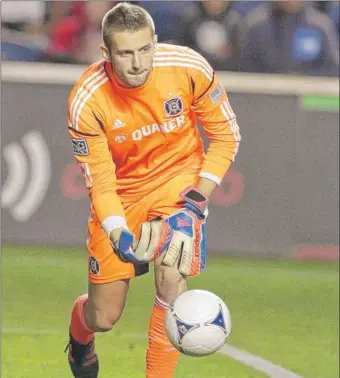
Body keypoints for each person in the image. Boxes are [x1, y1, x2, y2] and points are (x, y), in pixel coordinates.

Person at [65, 3, 240, 378]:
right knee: (104, 316)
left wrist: (193, 205)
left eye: (145, 49)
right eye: (125, 53)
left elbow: (226, 137)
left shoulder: (189, 68)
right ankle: (80, 339)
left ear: (155, 43)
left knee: (170, 278)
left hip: (178, 181)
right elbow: (101, 181)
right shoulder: (87, 100)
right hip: (122, 194)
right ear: (106, 54)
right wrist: (116, 232)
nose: (138, 62)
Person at [237, 0, 339, 77]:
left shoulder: (319, 26)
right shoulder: (255, 26)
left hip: (310, 97)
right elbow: (245, 67)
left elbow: (332, 68)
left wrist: (306, 77)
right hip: (264, 97)